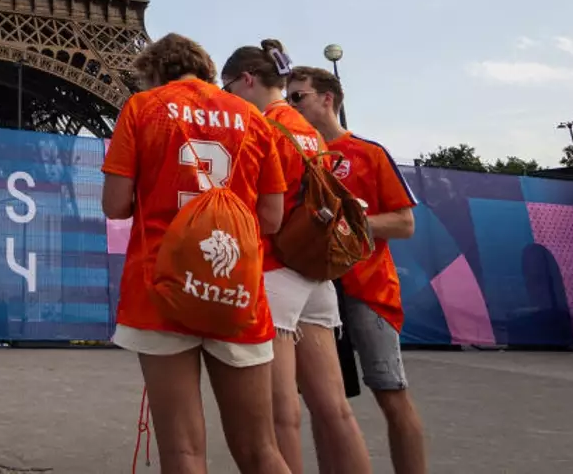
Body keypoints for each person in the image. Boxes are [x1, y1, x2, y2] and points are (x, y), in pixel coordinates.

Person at [102, 33, 292, 474]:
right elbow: (272, 217)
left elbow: (115, 205)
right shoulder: (252, 117)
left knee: (184, 451)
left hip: (160, 287)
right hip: (236, 290)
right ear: (207, 70)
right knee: (261, 450)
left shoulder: (143, 107)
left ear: (153, 71)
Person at [221, 41, 371, 474]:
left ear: (247, 79)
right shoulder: (305, 128)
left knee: (280, 411)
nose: (227, 96)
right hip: (315, 273)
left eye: (228, 86)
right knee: (335, 408)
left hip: (275, 269)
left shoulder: (261, 126)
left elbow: (261, 210)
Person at [288, 66, 427, 474]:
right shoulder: (300, 161)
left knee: (392, 395)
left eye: (299, 98)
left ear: (327, 99)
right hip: (315, 293)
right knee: (324, 404)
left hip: (367, 292)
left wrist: (345, 223)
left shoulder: (368, 153)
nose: (291, 106)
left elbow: (405, 222)